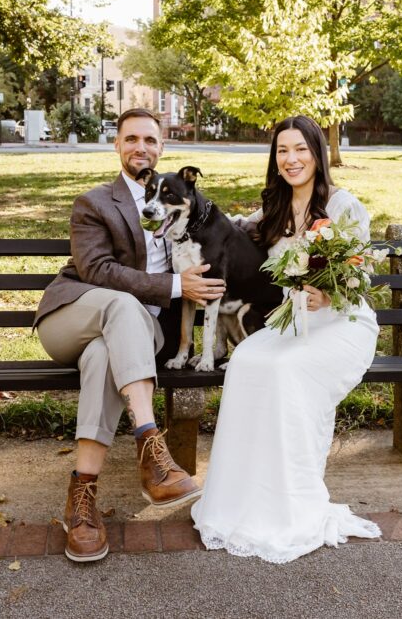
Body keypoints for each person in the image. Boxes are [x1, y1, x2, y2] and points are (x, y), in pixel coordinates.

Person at [35, 108, 227, 563]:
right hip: (73, 319)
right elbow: (97, 271)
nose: (141, 147)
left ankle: (82, 503)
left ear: (161, 149)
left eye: (150, 140)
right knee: (121, 303)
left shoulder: (180, 203)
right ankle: (151, 446)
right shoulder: (94, 203)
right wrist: (178, 287)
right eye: (131, 139)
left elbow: (225, 229)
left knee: (105, 355)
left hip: (136, 341)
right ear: (117, 146)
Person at [190, 115, 382, 564]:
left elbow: (363, 276)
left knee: (283, 369)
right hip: (293, 322)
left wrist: (328, 293)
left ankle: (292, 500)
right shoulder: (273, 210)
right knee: (246, 362)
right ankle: (243, 499)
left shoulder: (343, 206)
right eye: (282, 151)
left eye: (300, 149)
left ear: (317, 153)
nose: (291, 159)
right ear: (274, 159)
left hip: (343, 324)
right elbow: (234, 229)